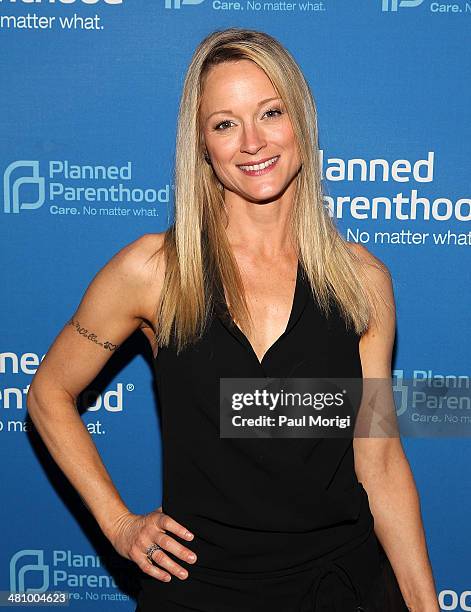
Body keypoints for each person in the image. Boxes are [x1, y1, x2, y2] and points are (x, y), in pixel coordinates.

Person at [27, 27, 439, 612]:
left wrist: (425, 605)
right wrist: (119, 524)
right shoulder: (154, 271)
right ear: (201, 145)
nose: (252, 142)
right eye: (225, 124)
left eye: (271, 113)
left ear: (301, 121)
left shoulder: (361, 279)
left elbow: (376, 455)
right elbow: (48, 392)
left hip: (342, 586)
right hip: (200, 590)